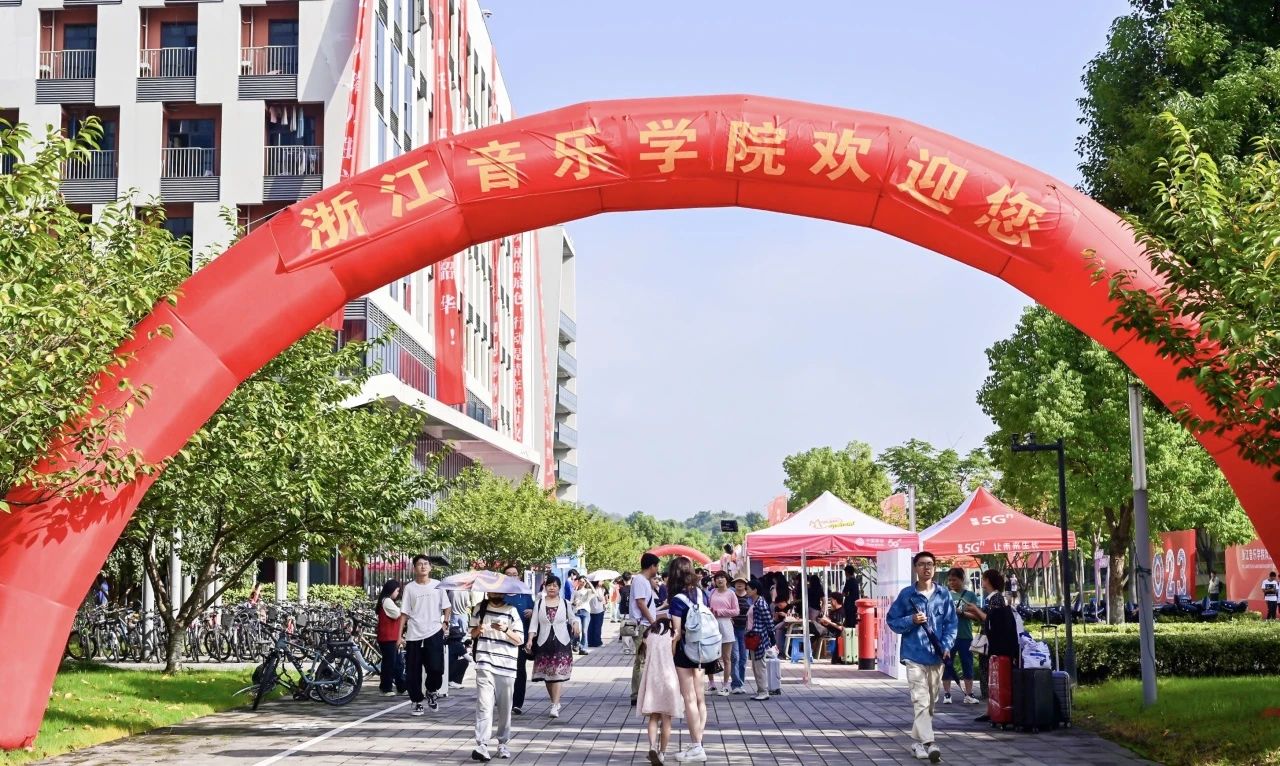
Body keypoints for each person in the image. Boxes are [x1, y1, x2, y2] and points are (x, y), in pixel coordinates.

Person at [886, 551, 957, 764]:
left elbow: (951, 624)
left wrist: (946, 646)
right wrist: (911, 620)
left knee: (930, 703)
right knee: (920, 699)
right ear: (915, 568)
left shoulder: (944, 594)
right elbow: (892, 621)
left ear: (934, 568)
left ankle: (917, 743)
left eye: (930, 564)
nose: (927, 568)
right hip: (913, 654)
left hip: (936, 656)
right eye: (922, 564)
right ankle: (930, 743)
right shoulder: (907, 595)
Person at [667, 555, 720, 763]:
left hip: (685, 652)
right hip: (703, 649)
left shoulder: (677, 600)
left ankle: (697, 746)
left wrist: (670, 652)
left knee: (688, 699)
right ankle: (697, 743)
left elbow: (677, 633)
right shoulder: (701, 593)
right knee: (700, 699)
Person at [469, 589, 524, 762]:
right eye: (493, 592)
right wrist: (479, 629)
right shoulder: (479, 608)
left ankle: (503, 743)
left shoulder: (511, 611)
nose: (496, 595)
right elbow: (471, 634)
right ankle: (482, 744)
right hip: (484, 663)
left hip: (507, 666)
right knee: (484, 705)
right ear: (488, 592)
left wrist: (505, 629)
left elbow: (519, 640)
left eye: (499, 592)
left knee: (504, 708)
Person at [398, 554, 451, 716]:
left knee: (436, 668)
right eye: (419, 564)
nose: (423, 566)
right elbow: (404, 613)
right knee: (413, 671)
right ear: (414, 568)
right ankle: (416, 701)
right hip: (414, 634)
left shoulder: (438, 586)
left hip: (434, 632)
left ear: (430, 567)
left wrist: (445, 622)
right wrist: (399, 636)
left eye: (426, 564)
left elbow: (447, 607)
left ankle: (431, 690)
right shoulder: (410, 588)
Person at [968, 569, 1018, 718]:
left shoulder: (996, 599)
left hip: (993, 643)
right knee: (987, 674)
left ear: (988, 581)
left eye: (983, 579)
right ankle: (990, 710)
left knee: (989, 674)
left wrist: (975, 609)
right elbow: (985, 617)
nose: (981, 582)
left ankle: (991, 710)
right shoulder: (992, 598)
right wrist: (966, 612)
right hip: (990, 642)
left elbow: (990, 619)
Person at [527, 574, 578, 718]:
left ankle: (555, 705)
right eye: (549, 585)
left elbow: (572, 618)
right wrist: (530, 639)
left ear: (559, 588)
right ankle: (554, 701)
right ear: (545, 587)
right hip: (543, 642)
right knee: (548, 676)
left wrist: (575, 624)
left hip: (561, 642)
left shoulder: (565, 603)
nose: (552, 588)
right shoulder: (539, 603)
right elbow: (534, 623)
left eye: (555, 585)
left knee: (557, 675)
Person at [636, 618, 683, 765]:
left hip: (652, 679)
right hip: (669, 679)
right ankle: (662, 753)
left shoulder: (648, 635)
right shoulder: (671, 634)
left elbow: (645, 653)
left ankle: (652, 747)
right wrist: (675, 639)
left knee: (653, 717)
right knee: (666, 719)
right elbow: (673, 653)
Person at [941, 568, 980, 705]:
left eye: (955, 580)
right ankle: (947, 694)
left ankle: (969, 694)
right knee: (947, 664)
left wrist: (961, 613)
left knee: (967, 664)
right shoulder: (945, 595)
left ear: (962, 579)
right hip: (948, 637)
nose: (952, 582)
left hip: (965, 635)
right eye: (950, 580)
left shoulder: (970, 596)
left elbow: (976, 616)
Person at [630, 553, 661, 706]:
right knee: (641, 661)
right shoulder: (640, 581)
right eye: (657, 566)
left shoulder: (643, 581)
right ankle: (638, 694)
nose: (658, 569)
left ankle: (641, 693)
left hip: (644, 624)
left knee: (643, 660)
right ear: (652, 566)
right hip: (643, 625)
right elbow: (641, 603)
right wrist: (653, 622)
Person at [503, 564, 534, 715]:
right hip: (502, 640)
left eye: (514, 574)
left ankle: (517, 703)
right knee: (503, 671)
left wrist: (532, 612)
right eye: (508, 574)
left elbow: (535, 612)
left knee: (519, 670)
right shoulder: (499, 595)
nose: (512, 577)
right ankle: (503, 699)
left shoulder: (525, 594)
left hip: (520, 639)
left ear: (519, 576)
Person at [744, 578, 776, 701]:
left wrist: (772, 636)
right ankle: (761, 690)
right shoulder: (756, 602)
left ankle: (763, 691)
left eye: (748, 589)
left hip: (759, 638)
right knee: (756, 665)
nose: (746, 591)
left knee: (759, 666)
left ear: (755, 590)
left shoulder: (760, 604)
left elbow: (768, 621)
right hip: (754, 637)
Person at [708, 571, 738, 696]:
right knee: (709, 656)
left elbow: (736, 611)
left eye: (722, 577)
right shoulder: (712, 592)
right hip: (711, 626)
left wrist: (720, 612)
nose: (720, 580)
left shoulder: (731, 593)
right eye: (717, 578)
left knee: (726, 658)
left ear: (726, 580)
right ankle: (711, 684)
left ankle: (725, 686)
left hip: (726, 626)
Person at [375, 580, 407, 696]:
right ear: (391, 590)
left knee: (397, 663)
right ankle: (386, 688)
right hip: (388, 637)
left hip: (390, 637)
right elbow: (398, 614)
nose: (398, 593)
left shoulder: (386, 600)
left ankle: (401, 687)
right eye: (397, 591)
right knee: (390, 663)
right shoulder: (387, 601)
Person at [447, 593, 472, 689]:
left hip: (454, 614)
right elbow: (468, 604)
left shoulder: (451, 592)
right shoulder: (464, 592)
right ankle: (454, 681)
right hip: (463, 614)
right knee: (464, 661)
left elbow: (448, 603)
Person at [730, 577, 750, 694]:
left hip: (745, 631)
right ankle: (736, 684)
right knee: (735, 657)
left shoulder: (749, 597)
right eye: (737, 582)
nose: (739, 584)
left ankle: (741, 683)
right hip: (732, 629)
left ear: (746, 584)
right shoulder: (731, 596)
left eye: (742, 582)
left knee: (743, 658)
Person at [570, 575, 594, 655]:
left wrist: (589, 582)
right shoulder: (575, 592)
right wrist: (574, 603)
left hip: (586, 612)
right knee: (577, 630)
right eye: (580, 581)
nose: (582, 583)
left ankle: (583, 648)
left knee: (584, 631)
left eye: (584, 582)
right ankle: (576, 643)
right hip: (577, 612)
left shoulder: (588, 591)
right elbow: (571, 602)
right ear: (578, 582)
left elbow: (594, 592)